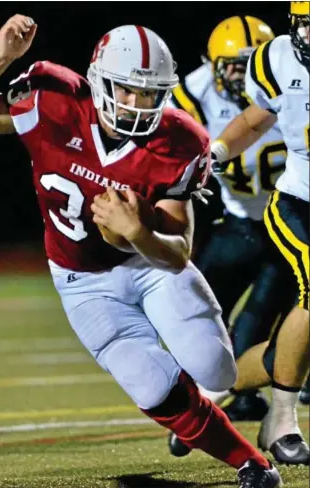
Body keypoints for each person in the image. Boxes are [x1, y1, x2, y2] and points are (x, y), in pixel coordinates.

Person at [0, 15, 282, 487]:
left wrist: (136, 232)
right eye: (126, 90)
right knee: (149, 383)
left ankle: (217, 390)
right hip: (82, 279)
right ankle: (252, 463)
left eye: (149, 93)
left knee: (216, 371)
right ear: (100, 80)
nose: (136, 103)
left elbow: (178, 251)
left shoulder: (180, 140)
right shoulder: (53, 101)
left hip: (150, 267)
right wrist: (3, 59)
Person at [167, 16, 297, 437]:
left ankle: (243, 393)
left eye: (248, 64)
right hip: (238, 220)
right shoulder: (194, 92)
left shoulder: (289, 78)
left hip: (288, 214)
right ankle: (189, 389)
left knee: (261, 315)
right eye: (232, 66)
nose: (240, 75)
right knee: (199, 307)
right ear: (212, 64)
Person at [194, 1, 309, 466]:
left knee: (298, 336)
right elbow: (257, 117)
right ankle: (282, 419)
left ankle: (214, 393)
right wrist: (214, 152)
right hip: (300, 202)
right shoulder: (277, 58)